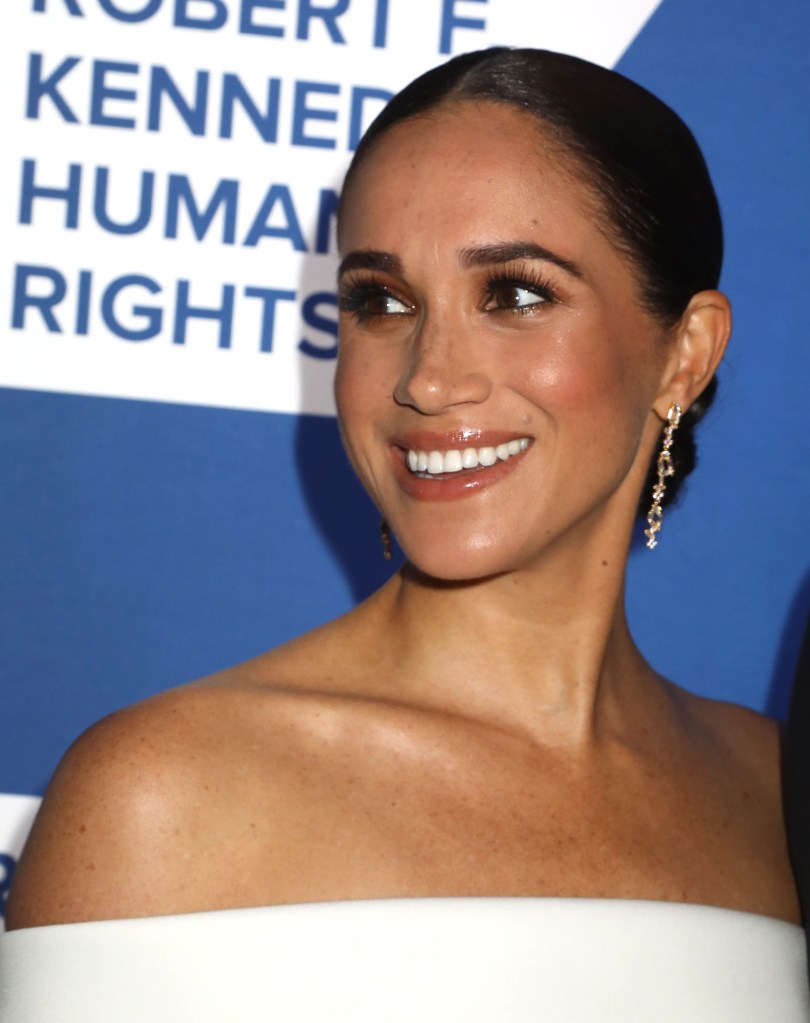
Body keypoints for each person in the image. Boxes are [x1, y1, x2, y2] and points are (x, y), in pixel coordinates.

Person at [1, 48, 806, 1020]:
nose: (426, 378)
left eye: (513, 294)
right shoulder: (161, 798)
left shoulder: (774, 788)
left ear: (685, 354)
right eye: (381, 301)